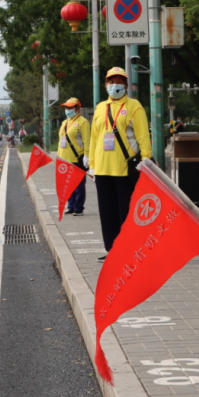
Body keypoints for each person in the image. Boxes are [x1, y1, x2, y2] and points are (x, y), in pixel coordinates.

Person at [88, 67, 152, 259]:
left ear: (126, 85)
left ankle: (128, 250)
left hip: (125, 169)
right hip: (102, 168)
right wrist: (91, 164)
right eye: (111, 81)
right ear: (105, 84)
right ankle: (112, 250)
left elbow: (143, 137)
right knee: (107, 213)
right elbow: (94, 138)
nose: (114, 85)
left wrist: (146, 159)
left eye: (119, 81)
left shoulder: (135, 107)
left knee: (125, 212)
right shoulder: (100, 108)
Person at [58, 97, 91, 215]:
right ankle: (71, 206)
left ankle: (78, 207)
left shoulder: (83, 122)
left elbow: (87, 141)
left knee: (78, 185)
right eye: (66, 107)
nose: (67, 110)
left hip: (76, 159)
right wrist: (58, 156)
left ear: (77, 109)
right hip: (64, 158)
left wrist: (87, 156)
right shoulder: (65, 122)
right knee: (67, 185)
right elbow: (61, 140)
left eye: (70, 107)